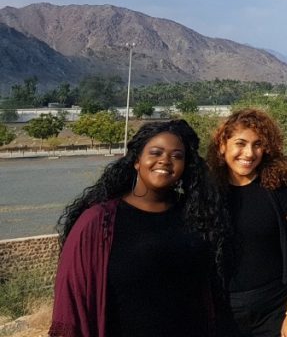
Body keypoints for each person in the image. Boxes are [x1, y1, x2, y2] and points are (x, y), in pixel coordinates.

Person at [49, 119, 227, 337]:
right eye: (156, 152)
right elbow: (71, 299)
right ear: (136, 160)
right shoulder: (99, 222)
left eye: (177, 156)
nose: (165, 160)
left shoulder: (197, 216)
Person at [208, 109, 287, 337]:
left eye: (258, 144)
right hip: (223, 310)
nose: (249, 153)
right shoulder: (206, 191)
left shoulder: (282, 186)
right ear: (222, 145)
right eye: (240, 144)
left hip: (275, 307)